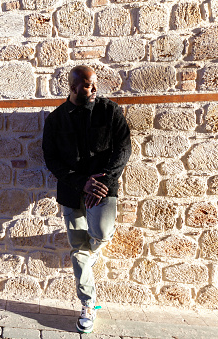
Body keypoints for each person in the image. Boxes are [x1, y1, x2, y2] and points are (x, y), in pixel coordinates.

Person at [42, 65, 131, 334]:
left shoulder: (110, 111)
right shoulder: (56, 120)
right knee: (78, 249)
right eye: (87, 85)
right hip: (71, 192)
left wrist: (103, 182)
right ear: (72, 86)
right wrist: (82, 182)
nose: (93, 89)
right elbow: (51, 159)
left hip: (103, 190)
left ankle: (90, 254)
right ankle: (88, 304)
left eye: (94, 84)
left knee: (102, 234)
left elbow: (124, 148)